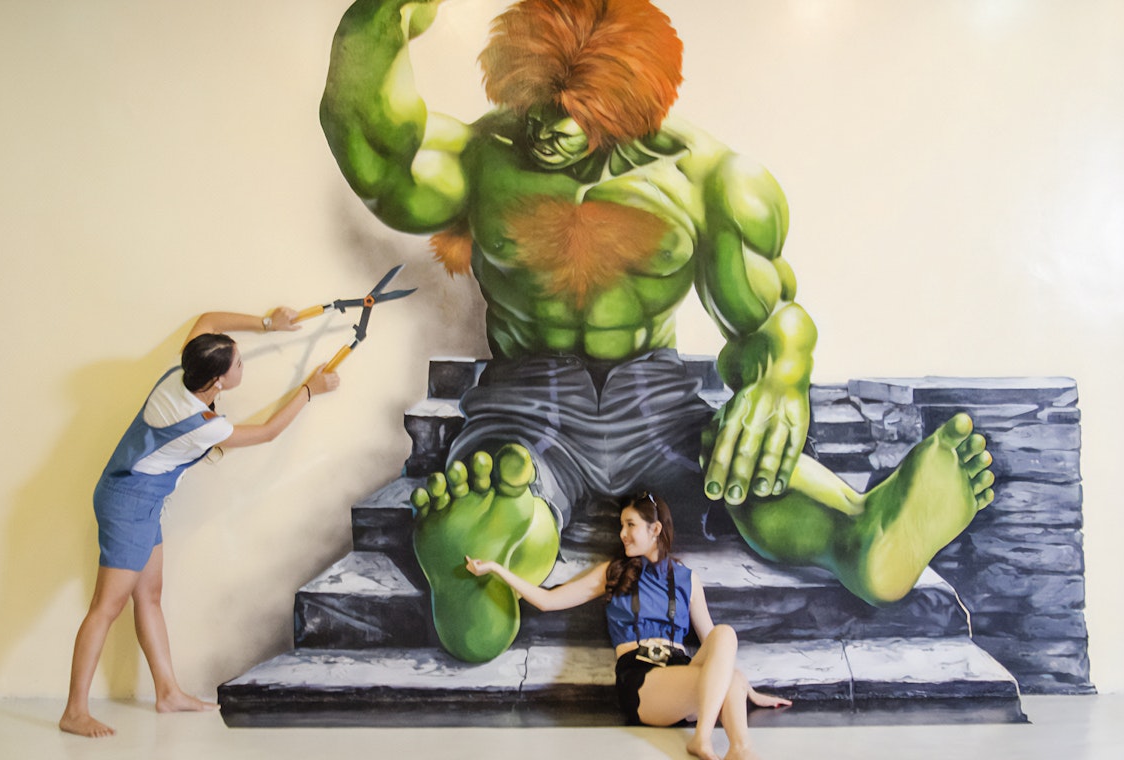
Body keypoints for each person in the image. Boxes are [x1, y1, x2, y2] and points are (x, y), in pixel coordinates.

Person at [327, 0, 996, 662]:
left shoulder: (710, 182)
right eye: (538, 104)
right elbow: (380, 152)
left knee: (743, 466)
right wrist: (384, 15)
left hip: (654, 406)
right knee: (507, 483)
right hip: (528, 402)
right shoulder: (483, 156)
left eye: (575, 112)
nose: (547, 128)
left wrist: (779, 380)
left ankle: (857, 537)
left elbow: (771, 319)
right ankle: (478, 565)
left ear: (625, 108)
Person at [59, 308, 340, 738]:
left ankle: (168, 692)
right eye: (238, 364)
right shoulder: (202, 426)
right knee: (106, 607)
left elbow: (209, 319)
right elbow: (267, 432)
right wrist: (309, 390)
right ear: (218, 382)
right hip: (129, 503)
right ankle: (75, 711)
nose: (243, 365)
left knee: (149, 595)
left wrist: (270, 324)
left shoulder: (182, 373)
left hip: (139, 498)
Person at [462, 490, 791, 760]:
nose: (622, 534)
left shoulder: (687, 579)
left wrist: (750, 690)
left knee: (725, 636)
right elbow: (548, 601)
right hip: (642, 681)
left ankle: (739, 749)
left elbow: (715, 648)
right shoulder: (614, 573)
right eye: (621, 525)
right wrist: (496, 569)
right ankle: (701, 738)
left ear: (655, 529)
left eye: (630, 524)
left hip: (682, 677)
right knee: (729, 675)